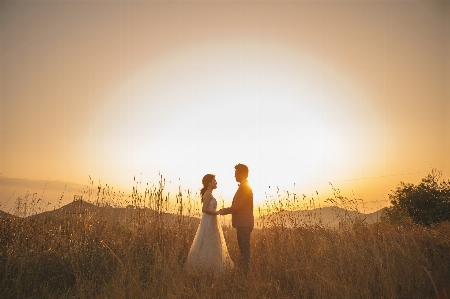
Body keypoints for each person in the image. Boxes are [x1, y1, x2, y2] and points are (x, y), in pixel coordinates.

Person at [184, 174, 234, 273]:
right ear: (209, 183)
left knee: (213, 242)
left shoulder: (209, 194)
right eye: (214, 180)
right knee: (207, 241)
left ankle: (211, 267)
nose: (216, 182)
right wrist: (218, 212)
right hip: (208, 220)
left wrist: (217, 212)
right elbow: (204, 209)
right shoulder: (208, 194)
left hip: (212, 220)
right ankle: (205, 267)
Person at [219, 163, 254, 275]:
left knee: (244, 250)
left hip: (244, 223)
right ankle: (244, 273)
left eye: (236, 173)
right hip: (242, 223)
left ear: (242, 174)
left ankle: (245, 275)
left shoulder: (245, 188)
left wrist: (225, 211)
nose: (234, 176)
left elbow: (239, 205)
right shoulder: (243, 187)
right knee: (243, 249)